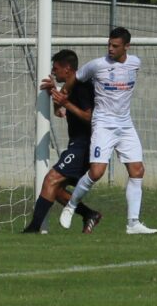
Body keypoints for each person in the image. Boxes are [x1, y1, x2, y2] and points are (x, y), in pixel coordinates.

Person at [59, 27, 157, 235]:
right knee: (96, 172)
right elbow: (74, 79)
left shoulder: (135, 63)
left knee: (137, 170)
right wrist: (61, 100)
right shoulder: (97, 65)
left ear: (126, 47)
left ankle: (133, 223)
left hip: (125, 123)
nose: (110, 49)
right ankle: (71, 206)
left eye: (115, 46)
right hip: (103, 123)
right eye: (109, 45)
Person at [22, 49, 102, 234]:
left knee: (51, 179)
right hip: (78, 143)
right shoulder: (70, 86)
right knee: (54, 188)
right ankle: (90, 214)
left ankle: (33, 229)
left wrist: (65, 103)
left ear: (67, 68)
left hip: (85, 145)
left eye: (56, 68)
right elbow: (60, 112)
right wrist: (55, 94)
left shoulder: (82, 86)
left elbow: (90, 117)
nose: (53, 71)